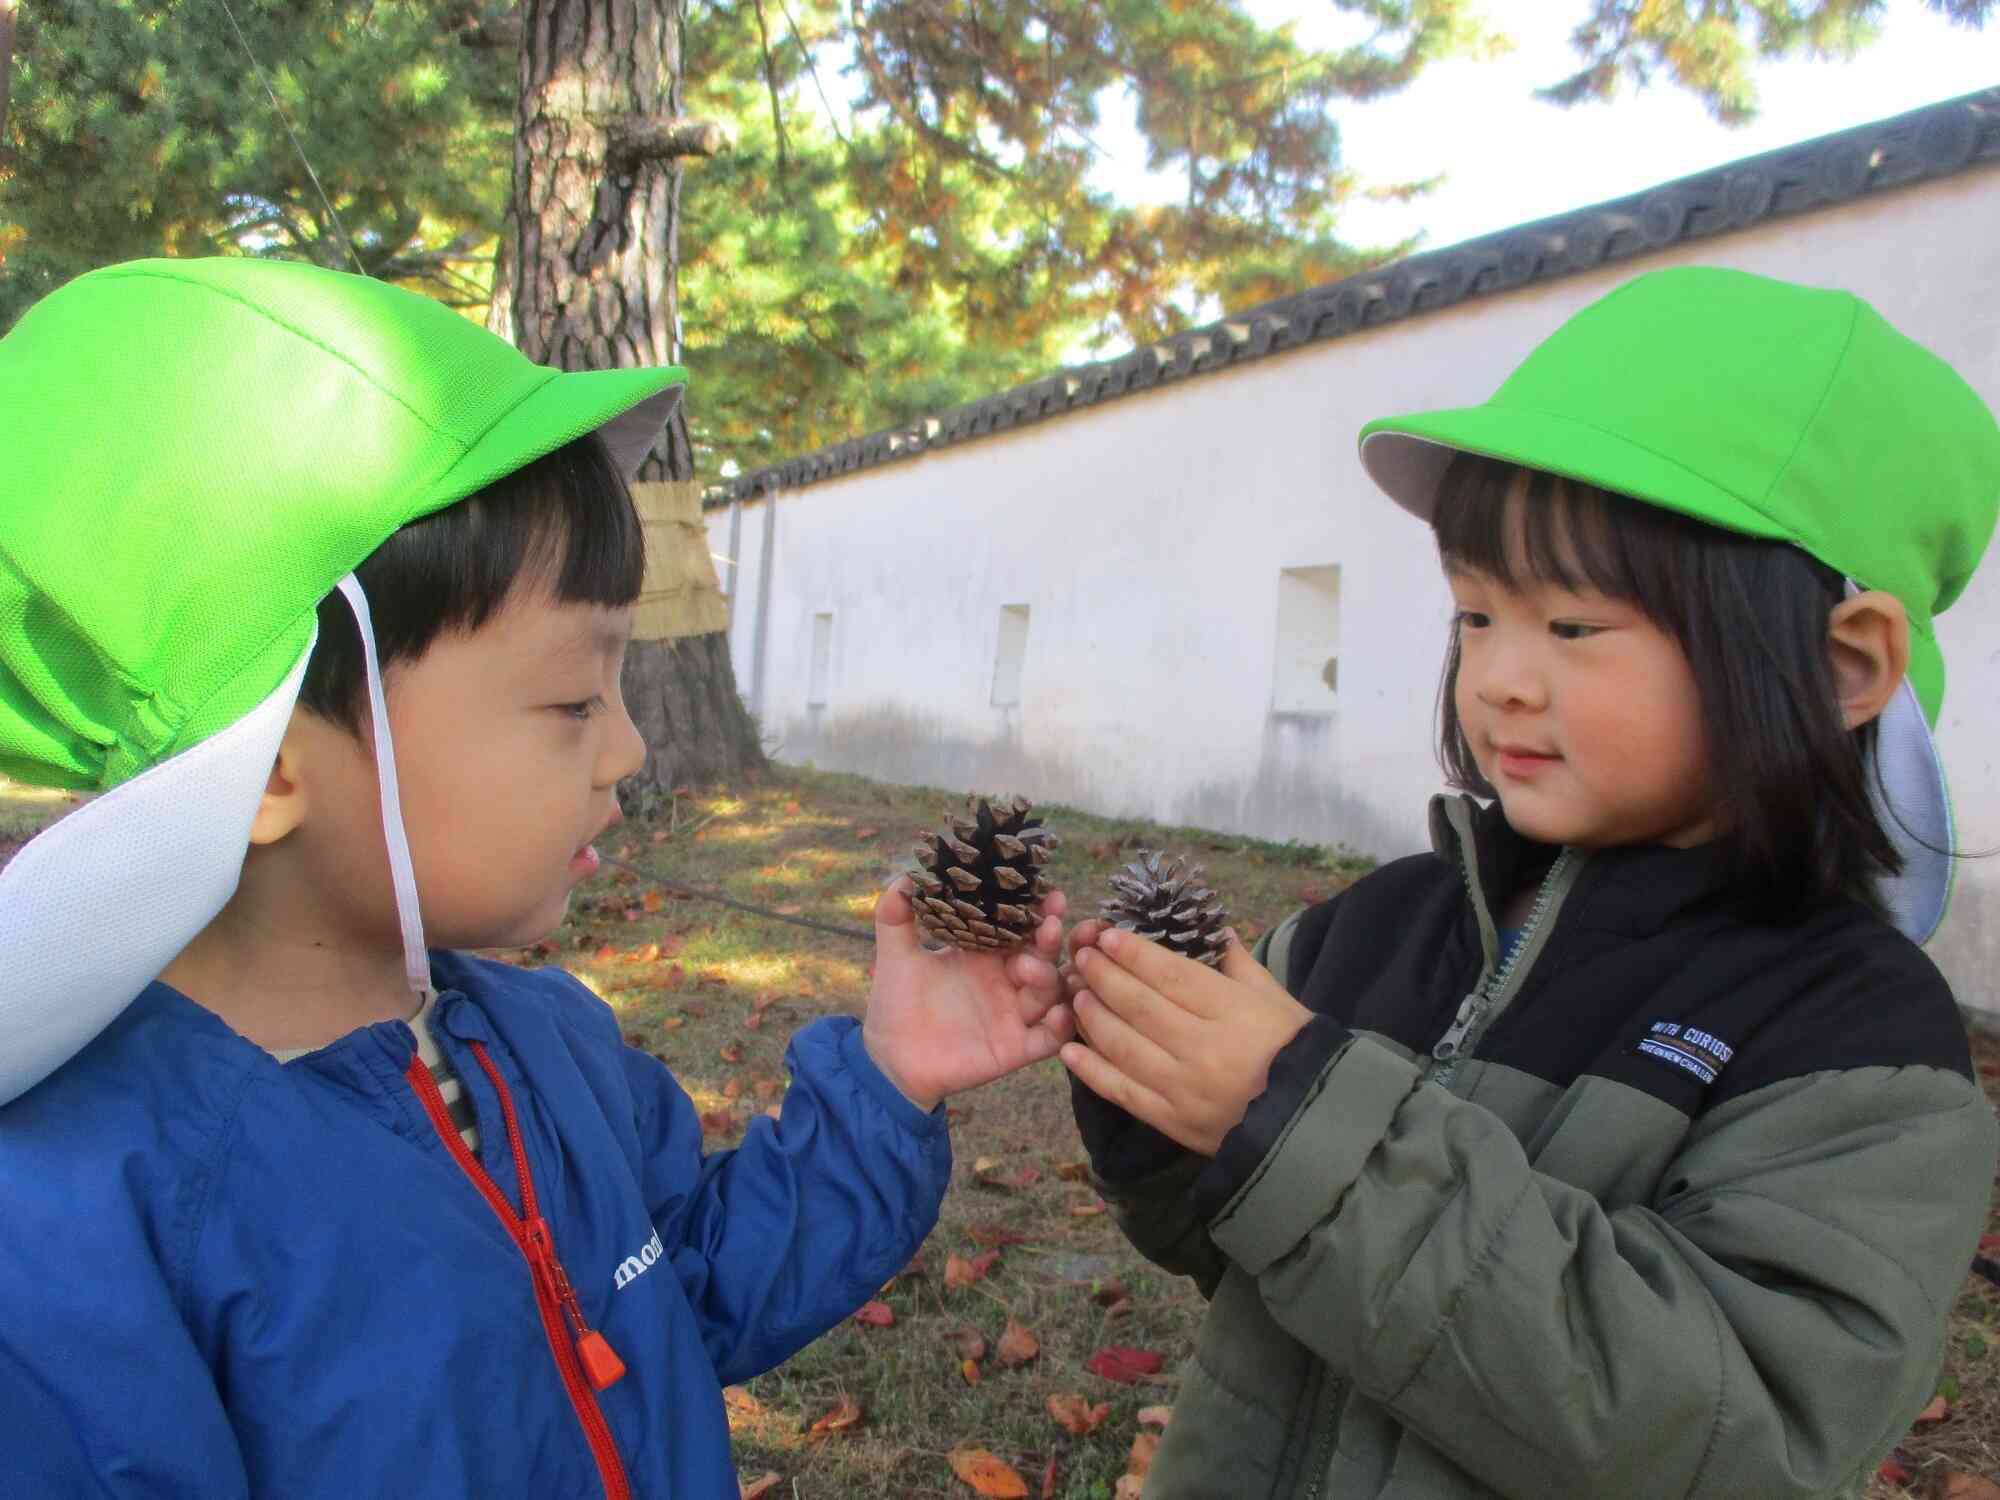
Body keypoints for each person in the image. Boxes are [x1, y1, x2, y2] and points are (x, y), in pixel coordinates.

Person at [0, 257, 1074, 1498]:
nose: (628, 747)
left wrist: (890, 1081)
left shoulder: (542, 1043)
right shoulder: (84, 1226)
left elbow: (690, 1286)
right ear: (270, 769)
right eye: (571, 697)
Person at [1061, 266, 2000, 1499]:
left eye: (1571, 627)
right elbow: (1243, 1254)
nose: (1499, 677)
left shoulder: (1854, 1047)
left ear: (1839, 664)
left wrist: (1298, 1119)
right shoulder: (1375, 931)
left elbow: (1730, 1434)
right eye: (1474, 616)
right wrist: (1151, 1098)